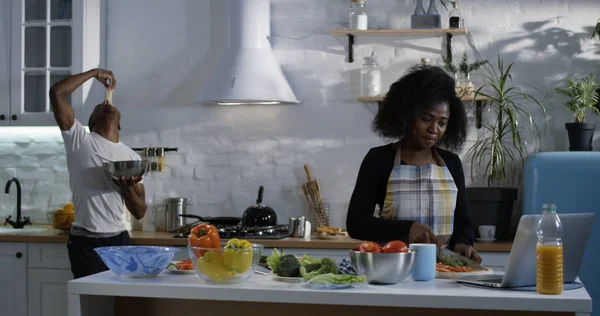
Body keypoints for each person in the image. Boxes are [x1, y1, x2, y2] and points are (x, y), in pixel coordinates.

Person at [346, 64, 481, 263]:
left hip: (445, 269)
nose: (434, 129)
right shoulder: (379, 160)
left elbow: (464, 222)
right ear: (407, 114)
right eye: (426, 119)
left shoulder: (451, 163)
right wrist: (407, 228)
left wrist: (463, 243)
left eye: (442, 122)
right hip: (393, 267)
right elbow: (356, 223)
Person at [49, 69, 147, 278]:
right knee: (92, 304)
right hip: (86, 241)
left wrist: (127, 190)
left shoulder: (132, 158)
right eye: (98, 107)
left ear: (119, 122)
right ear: (91, 122)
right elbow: (57, 92)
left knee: (119, 303)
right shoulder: (79, 141)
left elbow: (140, 211)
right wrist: (94, 73)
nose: (107, 104)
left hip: (120, 239)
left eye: (110, 105)